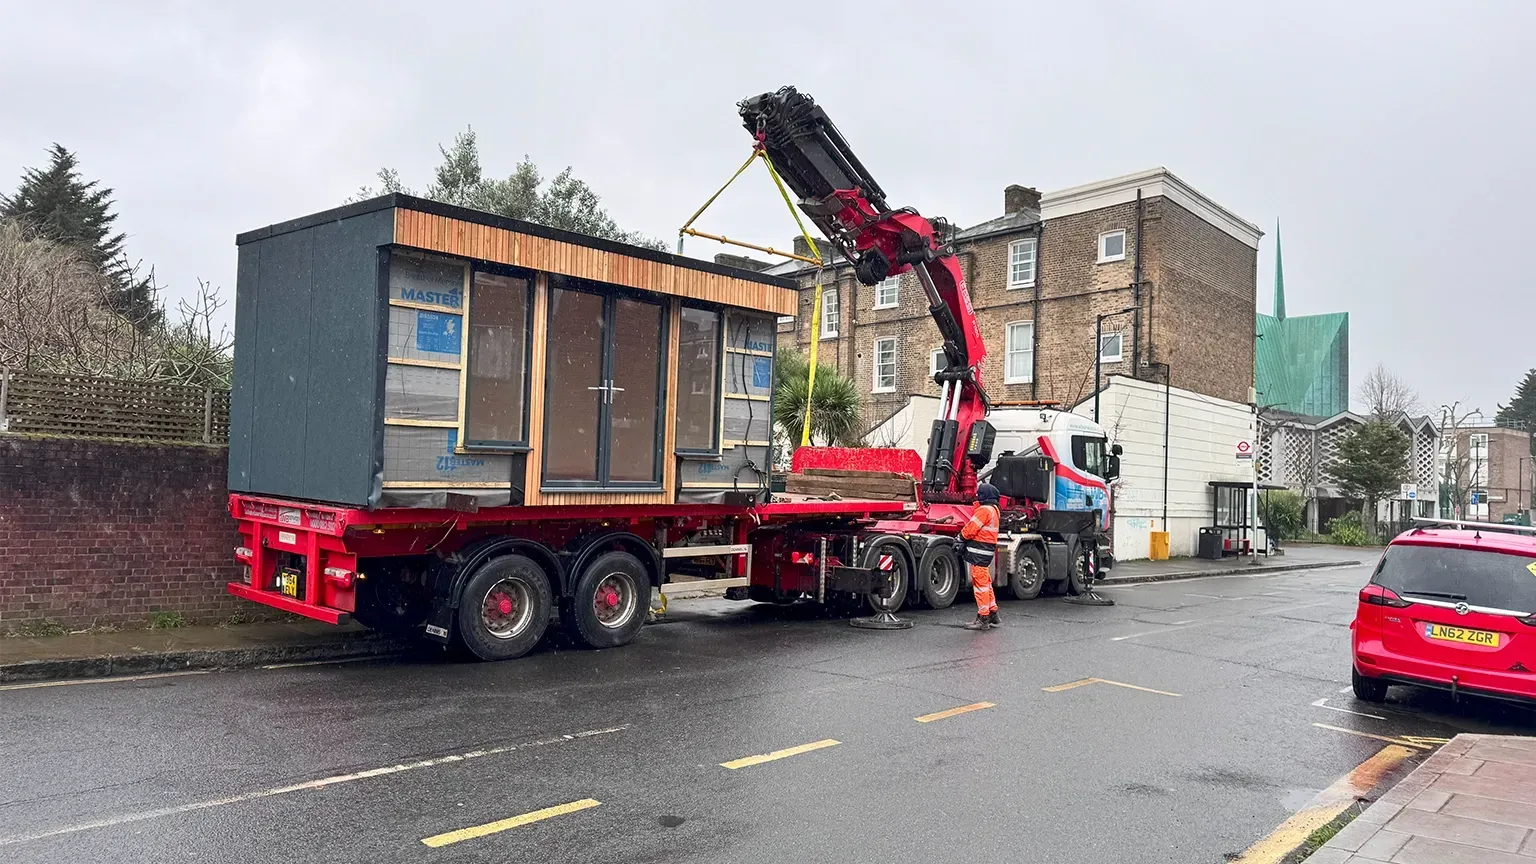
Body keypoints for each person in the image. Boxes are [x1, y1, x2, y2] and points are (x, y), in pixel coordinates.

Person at [960, 482, 1002, 631]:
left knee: (980, 585)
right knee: (986, 583)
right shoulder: (994, 510)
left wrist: (960, 537)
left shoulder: (984, 510)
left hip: (979, 551)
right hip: (986, 551)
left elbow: (971, 529)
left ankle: (983, 617)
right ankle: (992, 613)